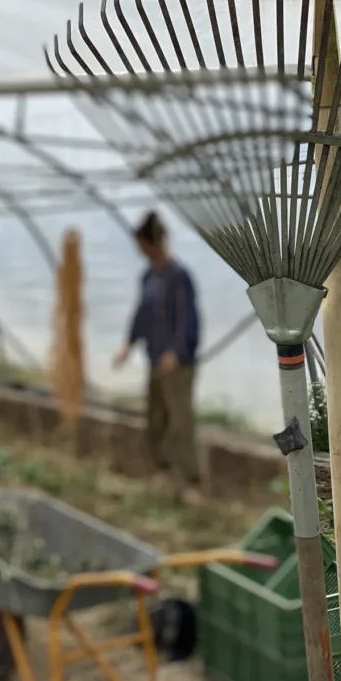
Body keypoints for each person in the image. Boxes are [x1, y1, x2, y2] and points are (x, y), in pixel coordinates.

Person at [113, 211, 202, 503]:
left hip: (178, 364)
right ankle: (161, 469)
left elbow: (187, 319)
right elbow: (142, 313)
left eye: (142, 244)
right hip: (154, 360)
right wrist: (128, 343)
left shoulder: (179, 277)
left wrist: (175, 351)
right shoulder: (149, 276)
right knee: (155, 417)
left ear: (153, 243)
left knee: (180, 420)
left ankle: (191, 481)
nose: (140, 250)